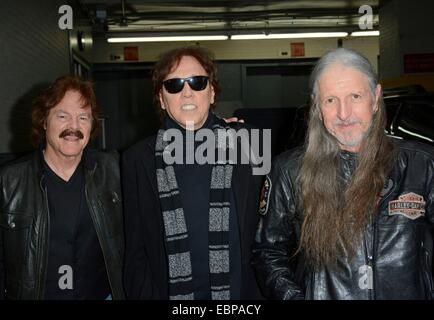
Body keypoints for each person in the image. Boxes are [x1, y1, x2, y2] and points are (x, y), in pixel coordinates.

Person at [252, 48, 434, 300]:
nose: (344, 113)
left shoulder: (422, 164)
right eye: (330, 100)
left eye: (355, 96)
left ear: (375, 98)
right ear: (317, 106)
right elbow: (267, 252)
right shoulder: (290, 170)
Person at [122, 46, 264, 300]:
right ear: (162, 99)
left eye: (197, 82)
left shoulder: (249, 143)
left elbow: (269, 231)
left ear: (212, 92)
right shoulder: (137, 160)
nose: (187, 92)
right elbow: (136, 251)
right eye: (174, 85)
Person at [0, 75, 124, 300]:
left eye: (83, 117)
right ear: (44, 121)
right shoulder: (8, 182)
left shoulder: (114, 171)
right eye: (63, 116)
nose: (74, 127)